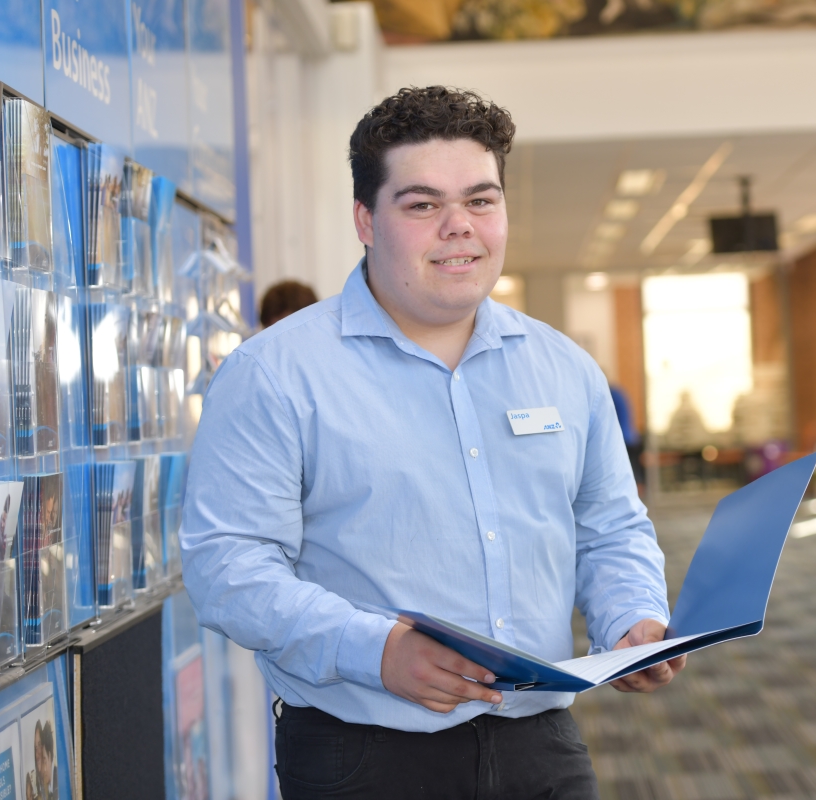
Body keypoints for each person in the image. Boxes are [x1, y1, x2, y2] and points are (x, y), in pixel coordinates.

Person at [180, 86, 684, 799]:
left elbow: (609, 526)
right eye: (422, 205)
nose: (459, 227)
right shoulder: (274, 373)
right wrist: (377, 650)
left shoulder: (564, 368)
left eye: (481, 200)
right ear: (366, 219)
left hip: (541, 745)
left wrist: (630, 617)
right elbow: (227, 566)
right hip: (364, 756)